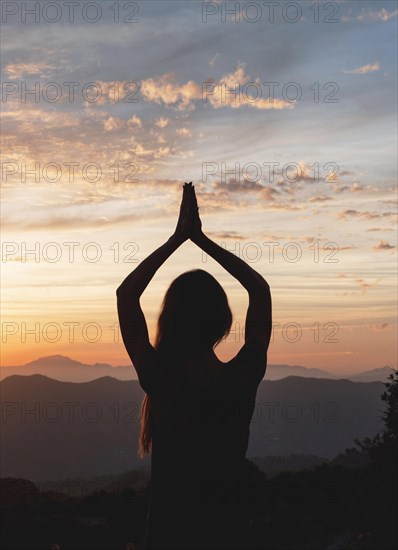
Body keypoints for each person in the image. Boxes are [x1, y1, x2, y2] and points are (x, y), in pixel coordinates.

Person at [116, 182, 272, 550]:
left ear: (169, 320)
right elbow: (260, 291)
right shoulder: (243, 376)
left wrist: (178, 239)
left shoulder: (162, 383)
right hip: (230, 535)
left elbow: (126, 295)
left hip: (169, 536)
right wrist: (202, 241)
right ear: (222, 322)